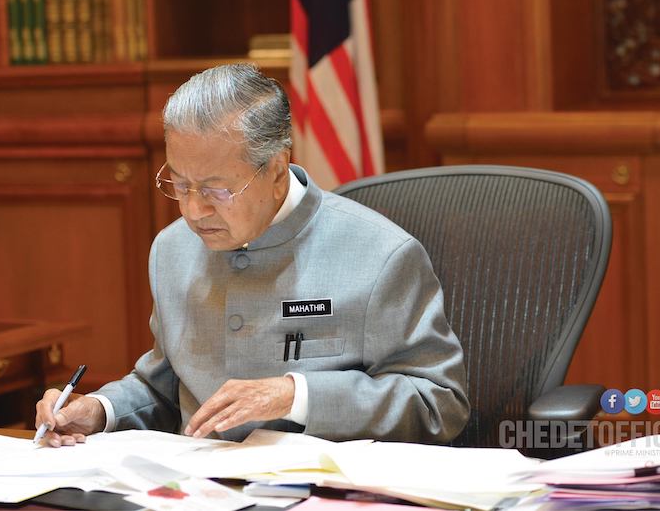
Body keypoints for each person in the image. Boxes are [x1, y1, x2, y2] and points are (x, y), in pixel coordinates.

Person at [35, 64, 470, 447]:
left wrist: (295, 395)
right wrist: (98, 410)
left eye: (215, 190)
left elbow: (440, 404)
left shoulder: (382, 254)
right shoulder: (172, 250)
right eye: (180, 185)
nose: (192, 211)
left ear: (277, 170)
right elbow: (165, 388)